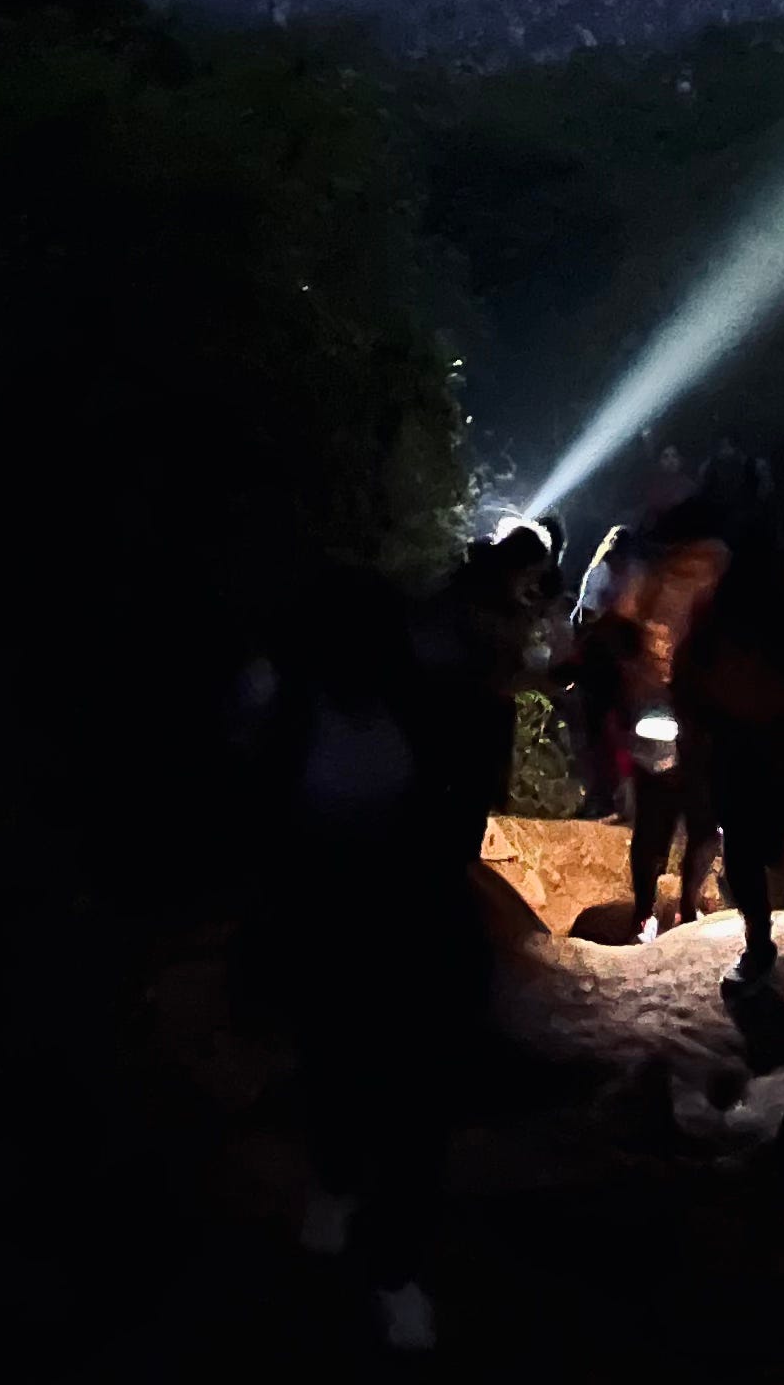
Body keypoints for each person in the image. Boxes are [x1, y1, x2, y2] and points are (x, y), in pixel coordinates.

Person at [232, 518, 564, 1358]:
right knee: (336, 1066)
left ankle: (394, 1267)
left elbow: (455, 806)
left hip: (406, 917)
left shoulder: (417, 702)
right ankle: (341, 1183)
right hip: (321, 920)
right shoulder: (280, 701)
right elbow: (250, 812)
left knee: (415, 1098)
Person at [659, 450, 784, 994]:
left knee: (748, 845)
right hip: (756, 740)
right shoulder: (758, 611)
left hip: (755, 740)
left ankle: (760, 941)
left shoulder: (752, 610)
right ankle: (759, 943)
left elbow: (688, 673)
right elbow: (690, 673)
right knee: (747, 845)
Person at [570, 519, 721, 939]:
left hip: (702, 721)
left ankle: (687, 905)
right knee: (657, 818)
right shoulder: (646, 587)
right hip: (659, 712)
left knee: (705, 821)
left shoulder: (717, 597)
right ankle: (644, 912)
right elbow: (616, 637)